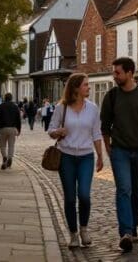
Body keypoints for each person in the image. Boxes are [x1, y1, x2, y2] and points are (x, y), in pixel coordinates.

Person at [101, 57, 138, 253]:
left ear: (129, 73)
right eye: (114, 72)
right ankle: (125, 233)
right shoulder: (111, 96)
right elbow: (104, 126)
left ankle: (133, 227)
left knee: (137, 194)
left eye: (118, 72)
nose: (114, 75)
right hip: (120, 151)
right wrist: (108, 148)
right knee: (124, 190)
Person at [49, 74, 104, 249]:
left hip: (86, 157)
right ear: (75, 88)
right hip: (66, 157)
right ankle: (73, 234)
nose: (88, 87)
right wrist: (58, 131)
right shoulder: (62, 108)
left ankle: (84, 229)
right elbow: (50, 130)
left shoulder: (93, 108)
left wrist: (100, 156)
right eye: (86, 85)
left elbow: (96, 133)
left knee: (84, 195)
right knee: (70, 198)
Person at [0, 92, 22, 169]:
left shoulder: (0, 106)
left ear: (4, 98)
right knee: (11, 145)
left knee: (2, 145)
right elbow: (18, 119)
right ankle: (10, 158)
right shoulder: (15, 107)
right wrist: (19, 129)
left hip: (3, 128)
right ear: (11, 98)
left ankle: (4, 156)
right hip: (12, 128)